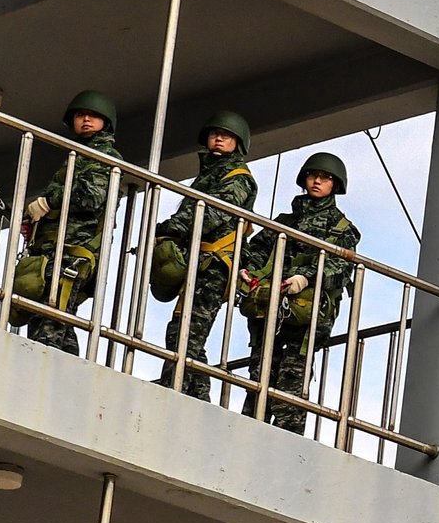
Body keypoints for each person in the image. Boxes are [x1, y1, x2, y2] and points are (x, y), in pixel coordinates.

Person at [238, 151, 360, 433]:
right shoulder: (285, 221)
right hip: (271, 306)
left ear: (335, 185)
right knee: (259, 376)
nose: (317, 181)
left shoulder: (342, 230)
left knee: (292, 380)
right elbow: (258, 250)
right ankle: (248, 433)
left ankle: (287, 441)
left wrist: (305, 278)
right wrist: (249, 271)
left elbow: (340, 268)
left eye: (325, 178)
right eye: (313, 175)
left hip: (308, 314)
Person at [154, 111, 257, 399]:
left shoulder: (238, 178)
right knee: (187, 333)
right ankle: (198, 394)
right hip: (198, 262)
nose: (219, 139)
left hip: (215, 266)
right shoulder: (208, 176)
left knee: (186, 331)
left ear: (238, 142)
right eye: (214, 134)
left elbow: (212, 213)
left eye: (226, 135)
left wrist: (170, 228)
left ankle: (174, 388)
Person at [11, 90, 123, 353]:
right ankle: (68, 367)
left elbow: (91, 196)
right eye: (81, 115)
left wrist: (49, 201)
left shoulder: (105, 156)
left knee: (49, 316)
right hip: (56, 249)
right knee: (58, 317)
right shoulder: (80, 154)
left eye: (93, 115)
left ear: (105, 122)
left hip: (73, 250)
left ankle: (42, 366)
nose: (86, 120)